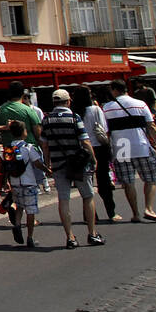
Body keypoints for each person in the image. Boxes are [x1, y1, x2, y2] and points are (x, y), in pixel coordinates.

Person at [41, 88, 103, 247]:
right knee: (88, 196)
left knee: (63, 199)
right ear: (68, 101)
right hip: (78, 164)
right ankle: (92, 233)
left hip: (57, 163)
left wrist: (47, 163)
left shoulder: (46, 120)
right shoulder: (74, 118)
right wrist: (93, 158)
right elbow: (85, 140)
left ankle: (70, 237)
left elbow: (45, 145)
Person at [102, 80, 156, 223]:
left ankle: (135, 213)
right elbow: (151, 126)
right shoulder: (140, 104)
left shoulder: (107, 107)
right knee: (151, 178)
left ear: (114, 90)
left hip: (121, 148)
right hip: (141, 145)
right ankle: (148, 208)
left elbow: (106, 132)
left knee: (128, 182)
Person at [5, 121, 46, 248]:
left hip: (15, 182)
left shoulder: (8, 148)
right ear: (24, 132)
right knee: (30, 210)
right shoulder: (28, 147)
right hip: (28, 182)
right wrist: (47, 170)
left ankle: (17, 225)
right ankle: (30, 237)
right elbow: (37, 163)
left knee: (19, 206)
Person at [79, 88, 117, 223]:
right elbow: (104, 129)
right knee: (104, 181)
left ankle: (90, 215)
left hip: (82, 149)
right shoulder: (95, 110)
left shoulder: (76, 112)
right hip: (99, 147)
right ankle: (111, 212)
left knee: (86, 184)